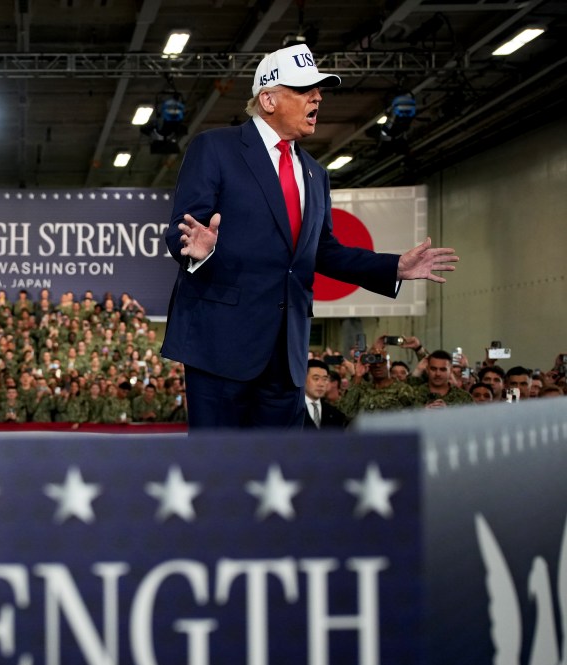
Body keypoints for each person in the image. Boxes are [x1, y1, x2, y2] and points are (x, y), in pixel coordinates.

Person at [159, 43, 457, 429]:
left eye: (318, 90)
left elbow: (325, 251)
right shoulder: (215, 148)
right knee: (219, 473)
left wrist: (393, 267)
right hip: (221, 347)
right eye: (303, 89)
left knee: (281, 474)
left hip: (287, 354)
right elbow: (184, 230)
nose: (317, 97)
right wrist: (196, 250)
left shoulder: (316, 173)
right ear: (267, 98)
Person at [303, 359, 347, 429]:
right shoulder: (290, 412)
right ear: (303, 379)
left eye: (324, 379)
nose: (321, 384)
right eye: (316, 379)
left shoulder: (336, 414)